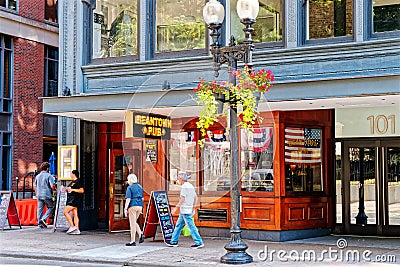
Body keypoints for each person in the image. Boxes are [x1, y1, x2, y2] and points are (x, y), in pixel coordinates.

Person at [167, 172, 204, 249]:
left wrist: (175, 208)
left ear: (181, 179)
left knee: (191, 226)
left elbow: (182, 199)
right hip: (187, 209)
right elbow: (195, 197)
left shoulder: (184, 187)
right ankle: (173, 241)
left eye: (178, 178)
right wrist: (193, 207)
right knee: (179, 225)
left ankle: (199, 242)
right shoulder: (190, 186)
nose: (178, 180)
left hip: (185, 210)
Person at [124, 173, 145, 246]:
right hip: (140, 206)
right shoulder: (140, 187)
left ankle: (132, 241)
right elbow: (142, 198)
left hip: (132, 206)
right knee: (134, 221)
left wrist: (125, 208)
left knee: (132, 224)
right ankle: (140, 234)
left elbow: (128, 199)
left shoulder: (130, 188)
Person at [34, 162, 56, 228]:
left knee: (40, 209)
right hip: (47, 194)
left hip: (39, 194)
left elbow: (35, 186)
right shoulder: (49, 176)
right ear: (47, 168)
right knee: (51, 207)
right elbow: (52, 186)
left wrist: (36, 193)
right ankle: (43, 219)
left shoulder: (37, 176)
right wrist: (54, 190)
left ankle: (39, 224)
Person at [63, 170, 84, 235]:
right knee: (75, 214)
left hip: (74, 199)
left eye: (71, 173)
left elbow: (82, 190)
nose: (70, 175)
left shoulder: (78, 181)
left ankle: (72, 226)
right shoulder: (72, 182)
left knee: (65, 212)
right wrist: (65, 189)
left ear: (74, 174)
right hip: (71, 198)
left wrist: (73, 190)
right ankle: (77, 229)